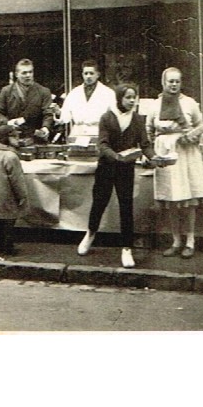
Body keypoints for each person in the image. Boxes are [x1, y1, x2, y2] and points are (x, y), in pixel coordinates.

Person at [78, 83, 157, 268]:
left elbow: (145, 144)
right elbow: (103, 145)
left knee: (126, 206)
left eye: (134, 97)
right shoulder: (107, 117)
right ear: (119, 99)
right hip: (106, 167)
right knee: (99, 203)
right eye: (128, 97)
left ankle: (127, 248)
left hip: (125, 169)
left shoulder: (138, 119)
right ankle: (90, 234)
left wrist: (155, 157)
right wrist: (116, 157)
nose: (132, 101)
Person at [146, 67, 203, 258]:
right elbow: (148, 129)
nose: (174, 85)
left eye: (177, 81)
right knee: (172, 199)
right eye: (170, 81)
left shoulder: (189, 103)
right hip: (166, 154)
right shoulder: (155, 105)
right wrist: (155, 147)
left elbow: (201, 126)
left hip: (186, 153)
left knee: (188, 199)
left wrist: (191, 136)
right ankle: (176, 240)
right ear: (163, 83)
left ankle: (190, 241)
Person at [0, 124, 30, 257]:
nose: (18, 139)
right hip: (8, 195)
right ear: (8, 138)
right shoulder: (11, 156)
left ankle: (0, 247)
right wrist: (22, 195)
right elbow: (17, 179)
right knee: (9, 223)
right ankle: (8, 248)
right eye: (15, 136)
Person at [0, 58, 54, 143]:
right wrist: (8, 122)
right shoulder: (6, 91)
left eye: (30, 72)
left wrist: (45, 127)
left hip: (35, 139)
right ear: (17, 74)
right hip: (12, 139)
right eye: (24, 73)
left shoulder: (43, 91)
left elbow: (48, 114)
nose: (28, 75)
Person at [59, 60, 117, 140]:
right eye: (86, 73)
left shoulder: (108, 93)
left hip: (98, 133)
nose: (88, 76)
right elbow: (65, 117)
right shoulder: (74, 93)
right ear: (82, 75)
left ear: (98, 75)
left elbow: (114, 116)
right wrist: (58, 112)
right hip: (78, 134)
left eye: (91, 73)